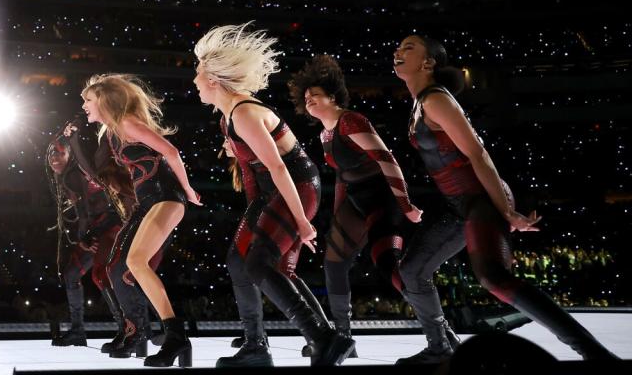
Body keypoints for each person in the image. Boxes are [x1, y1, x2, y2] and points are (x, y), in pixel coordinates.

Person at [393, 35, 616, 364]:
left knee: (492, 277)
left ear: (428, 63)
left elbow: (478, 155)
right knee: (412, 270)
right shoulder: (419, 101)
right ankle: (440, 348)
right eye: (398, 47)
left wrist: (506, 210)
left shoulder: (436, 100)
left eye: (408, 48)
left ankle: (594, 353)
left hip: (482, 198)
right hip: (459, 206)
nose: (398, 52)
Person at [193, 23, 354, 367]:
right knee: (240, 263)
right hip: (271, 192)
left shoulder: (245, 112)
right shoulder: (229, 116)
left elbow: (280, 169)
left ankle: (324, 339)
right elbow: (257, 173)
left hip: (295, 187)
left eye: (197, 73)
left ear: (212, 80)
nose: (193, 81)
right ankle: (257, 346)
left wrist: (301, 221)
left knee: (261, 264)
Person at [288, 54, 422, 358]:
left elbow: (386, 159)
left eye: (315, 95)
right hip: (355, 198)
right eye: (306, 97)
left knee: (388, 266)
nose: (309, 100)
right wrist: (338, 216)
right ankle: (343, 339)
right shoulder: (324, 133)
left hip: (381, 197)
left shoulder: (351, 120)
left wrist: (406, 204)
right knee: (334, 264)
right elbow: (341, 178)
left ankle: (442, 333)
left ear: (332, 97)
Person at [81, 74, 201, 367]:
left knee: (135, 262)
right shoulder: (111, 132)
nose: (83, 105)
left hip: (167, 197)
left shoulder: (128, 124)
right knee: (118, 264)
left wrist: (187, 189)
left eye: (87, 100)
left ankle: (174, 335)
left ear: (104, 100)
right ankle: (153, 333)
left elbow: (170, 151)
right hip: (147, 202)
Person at [46, 114, 125, 348]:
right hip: (101, 227)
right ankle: (80, 331)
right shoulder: (69, 176)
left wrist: (85, 237)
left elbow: (84, 211)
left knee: (105, 275)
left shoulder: (74, 174)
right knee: (75, 275)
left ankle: (129, 329)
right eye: (51, 153)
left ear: (70, 154)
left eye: (60, 152)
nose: (54, 158)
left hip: (110, 226)